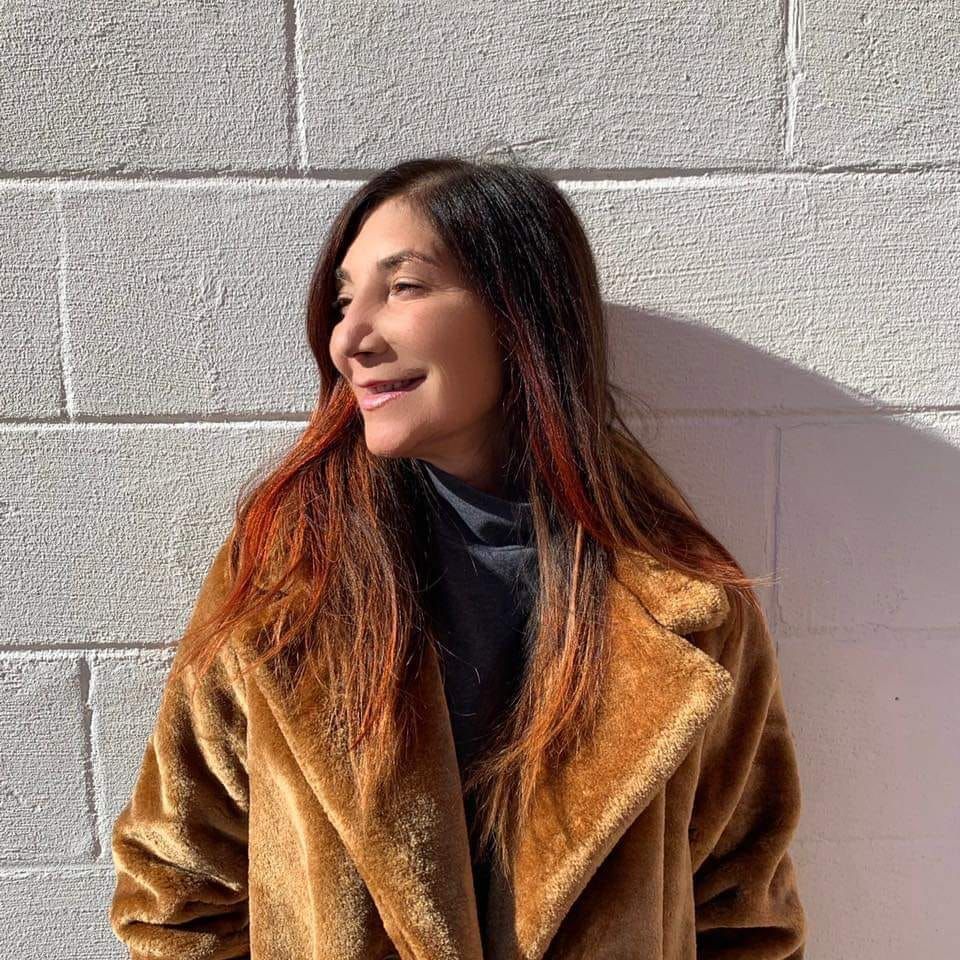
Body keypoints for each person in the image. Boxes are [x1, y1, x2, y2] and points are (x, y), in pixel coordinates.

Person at [108, 156, 807, 959]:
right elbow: (174, 891)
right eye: (343, 300)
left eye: (403, 287)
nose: (349, 339)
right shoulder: (289, 576)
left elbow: (743, 911)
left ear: (522, 314)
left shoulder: (683, 601)